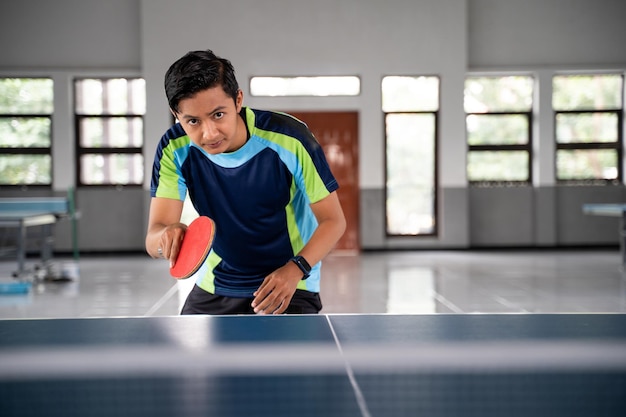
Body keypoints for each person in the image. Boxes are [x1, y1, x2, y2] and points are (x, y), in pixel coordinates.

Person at [145, 49, 346, 315]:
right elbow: (153, 238)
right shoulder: (174, 148)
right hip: (217, 282)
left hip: (289, 280)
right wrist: (165, 238)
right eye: (192, 121)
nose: (209, 133)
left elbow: (334, 222)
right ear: (176, 115)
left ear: (238, 100)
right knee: (185, 356)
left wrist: (295, 269)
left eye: (218, 114)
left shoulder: (289, 139)